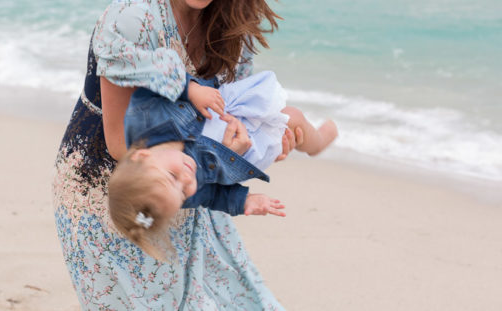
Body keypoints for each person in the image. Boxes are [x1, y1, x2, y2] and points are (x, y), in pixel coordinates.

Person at [53, 0, 294, 310]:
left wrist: (258, 140)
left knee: (232, 297)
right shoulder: (134, 19)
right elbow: (119, 143)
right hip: (111, 193)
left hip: (187, 177)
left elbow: (235, 107)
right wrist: (217, 160)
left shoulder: (229, 18)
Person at [109, 71, 338, 261]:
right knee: (292, 118)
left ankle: (315, 141)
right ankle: (314, 144)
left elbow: (155, 78)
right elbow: (211, 195)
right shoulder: (172, 191)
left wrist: (191, 89)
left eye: (172, 176)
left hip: (228, 107)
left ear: (141, 156)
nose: (187, 180)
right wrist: (243, 201)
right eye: (182, 193)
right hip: (242, 152)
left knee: (285, 113)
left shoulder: (145, 118)